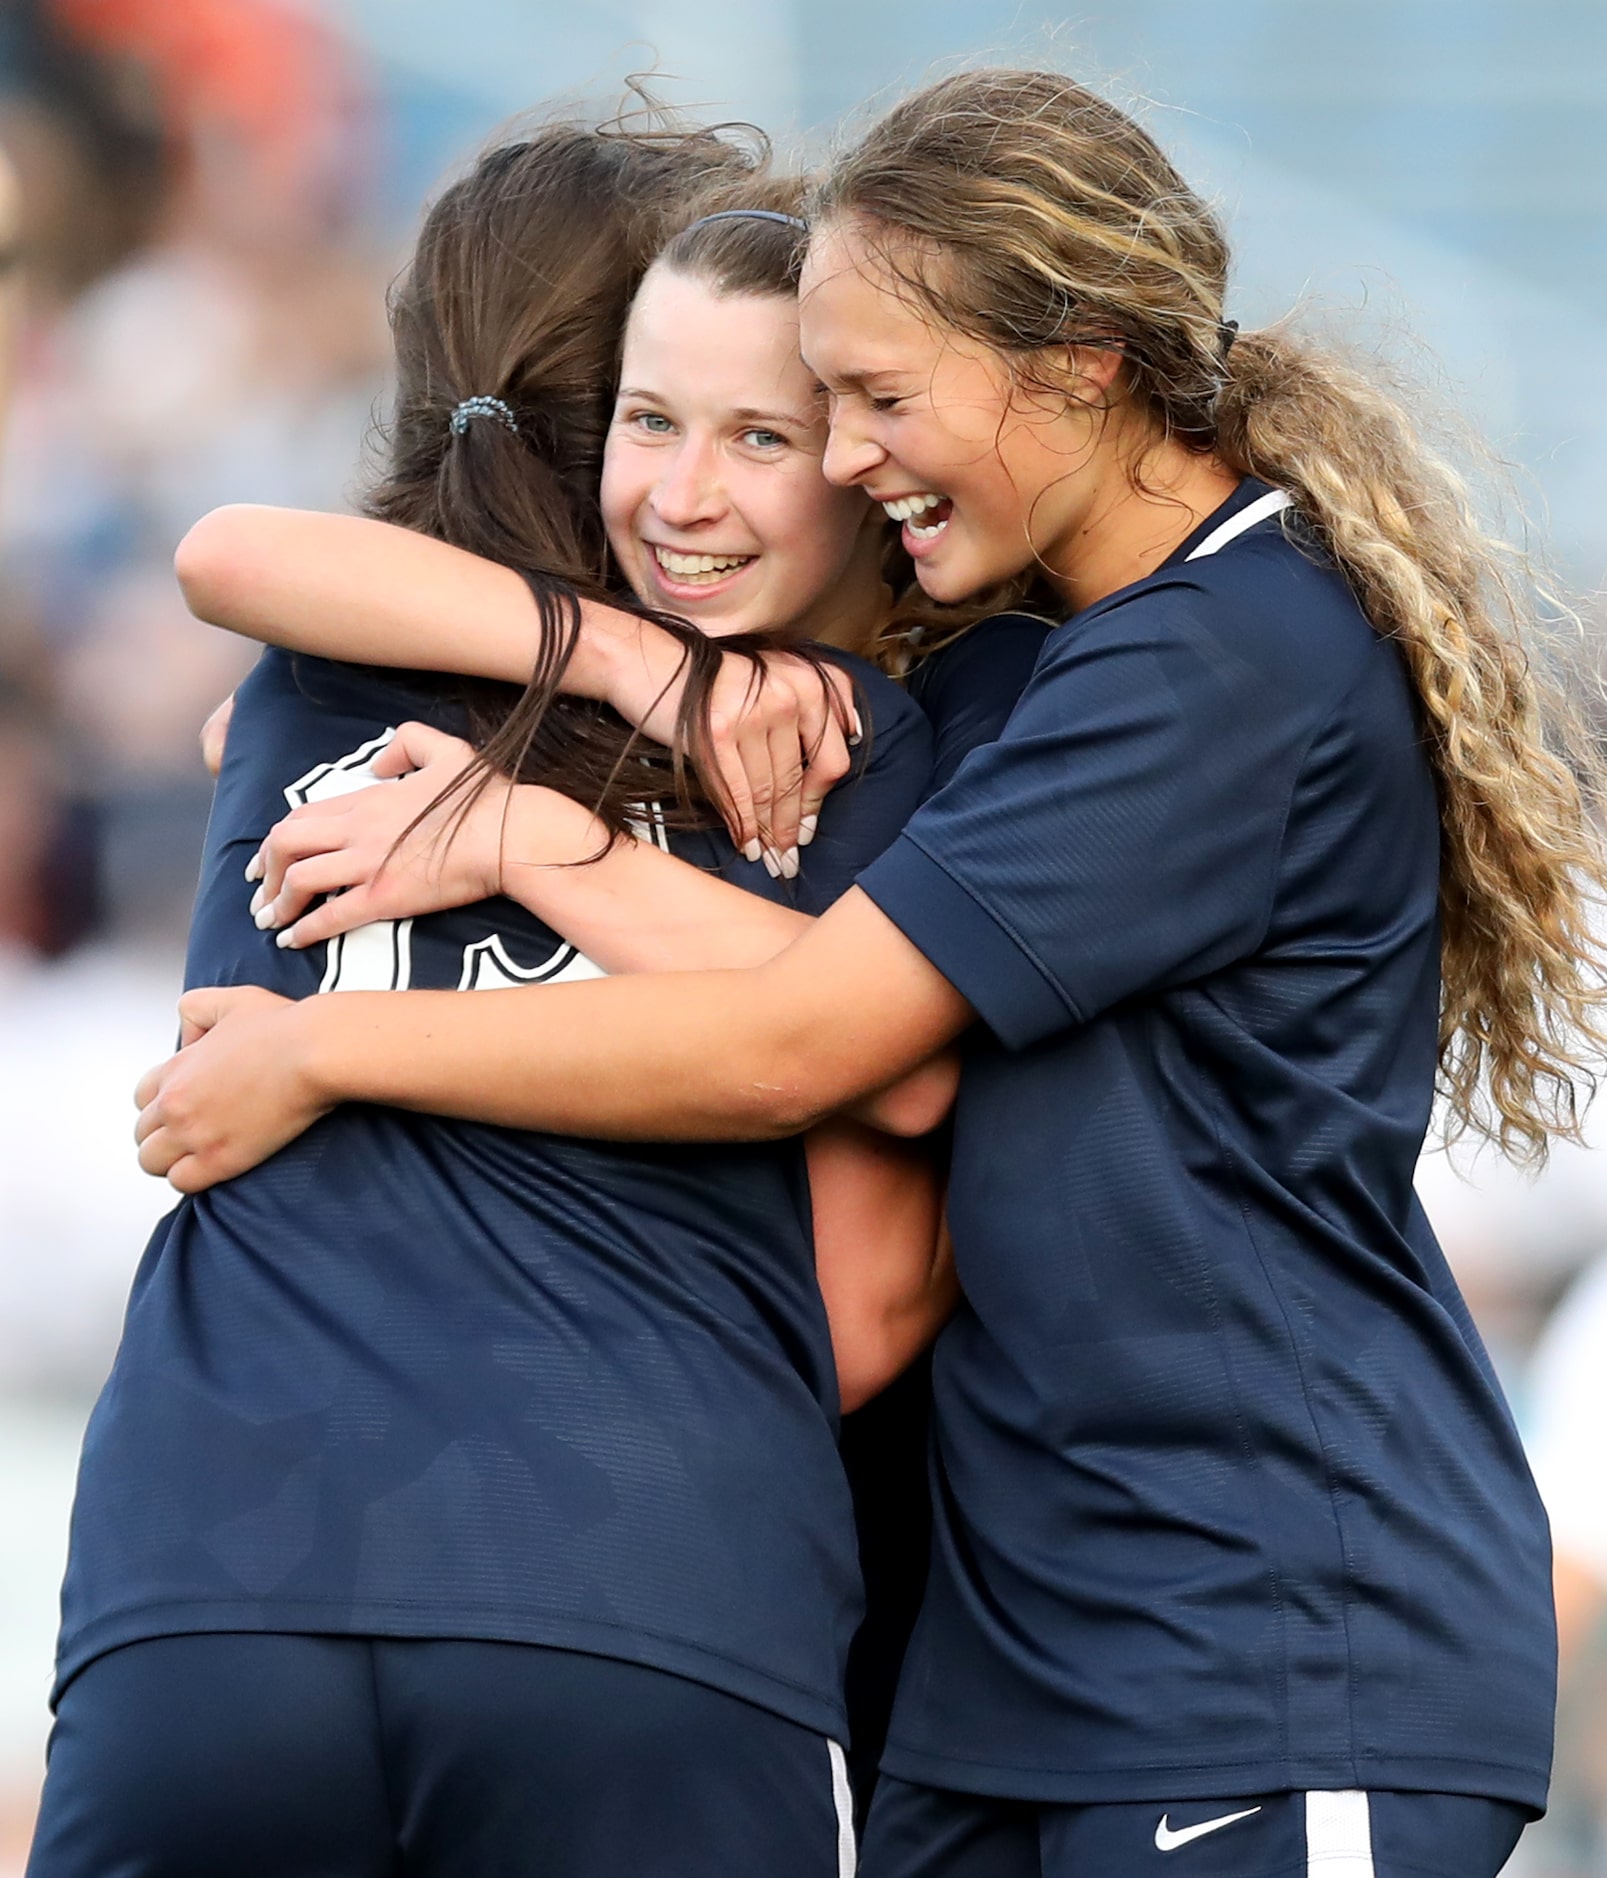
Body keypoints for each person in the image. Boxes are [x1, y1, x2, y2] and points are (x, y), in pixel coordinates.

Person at [137, 66, 1602, 1878]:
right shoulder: (1039, 668)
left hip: (1270, 1627)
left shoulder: (1217, 656)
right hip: (1015, 1656)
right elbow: (244, 574)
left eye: (869, 402)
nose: (839, 457)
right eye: (800, 408)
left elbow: (816, 1038)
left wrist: (388, 997)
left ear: (1075, 358)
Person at [31, 123, 964, 1878]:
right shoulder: (834, 737)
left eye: (764, 428)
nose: (699, 483)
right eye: (664, 413)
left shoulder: (306, 671)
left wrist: (488, 896)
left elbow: (232, 557)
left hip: (208, 1572)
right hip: (634, 1577)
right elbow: (882, 1215)